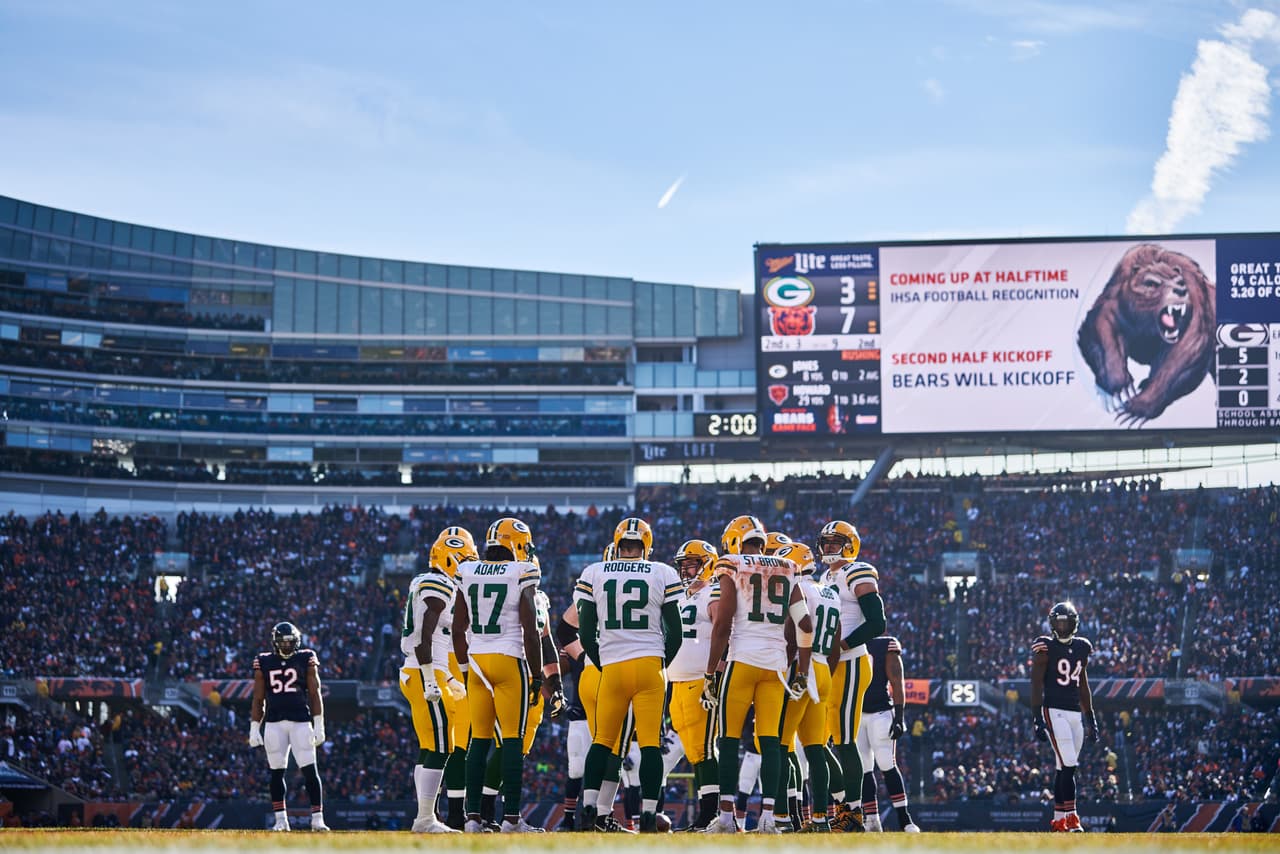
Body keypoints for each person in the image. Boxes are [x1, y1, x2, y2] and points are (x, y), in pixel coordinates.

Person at [703, 515, 814, 834]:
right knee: (770, 741)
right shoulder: (788, 567)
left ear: (736, 540)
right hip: (776, 665)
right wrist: (801, 670)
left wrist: (711, 672)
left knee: (728, 739)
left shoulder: (732, 563)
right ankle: (769, 817)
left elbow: (722, 623)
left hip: (743, 660)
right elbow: (804, 625)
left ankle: (726, 818)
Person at [575, 517, 684, 833]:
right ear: (646, 545)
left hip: (613, 667)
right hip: (649, 665)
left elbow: (584, 632)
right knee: (650, 744)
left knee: (602, 743)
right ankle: (649, 816)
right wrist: (661, 664)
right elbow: (675, 632)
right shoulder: (662, 572)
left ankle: (589, 810)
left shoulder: (595, 571)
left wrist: (603, 661)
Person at [453, 517, 544, 833]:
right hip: (508, 659)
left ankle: (472, 819)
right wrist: (538, 675)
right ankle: (511, 819)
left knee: (477, 741)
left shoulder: (467, 569)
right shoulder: (522, 570)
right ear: (516, 543)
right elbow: (530, 630)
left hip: (477, 661)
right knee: (512, 741)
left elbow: (457, 627)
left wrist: (465, 668)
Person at [398, 530, 474, 833]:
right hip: (425, 671)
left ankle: (425, 816)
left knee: (429, 746)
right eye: (465, 558)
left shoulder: (428, 582)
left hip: (424, 671)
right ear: (450, 556)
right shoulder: (438, 583)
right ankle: (425, 819)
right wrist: (431, 678)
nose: (467, 564)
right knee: (443, 746)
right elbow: (422, 635)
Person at [820, 519, 886, 833]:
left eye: (835, 542)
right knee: (825, 740)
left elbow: (877, 622)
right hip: (830, 664)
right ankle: (841, 807)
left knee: (845, 740)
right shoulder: (824, 576)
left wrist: (842, 645)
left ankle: (854, 814)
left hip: (850, 663)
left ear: (850, 544)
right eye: (826, 542)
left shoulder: (857, 571)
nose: (828, 547)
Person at [773, 541, 841, 832]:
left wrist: (787, 667)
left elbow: (794, 633)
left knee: (778, 745)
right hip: (824, 668)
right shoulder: (831, 593)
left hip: (803, 666)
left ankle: (781, 817)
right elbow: (836, 643)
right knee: (815, 748)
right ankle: (820, 818)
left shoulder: (798, 590)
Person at [249, 621, 329, 832]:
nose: (286, 646)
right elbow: (258, 698)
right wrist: (254, 726)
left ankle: (317, 819)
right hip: (274, 722)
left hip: (301, 721)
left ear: (296, 641)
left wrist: (319, 724)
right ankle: (281, 820)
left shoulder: (305, 657)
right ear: (275, 643)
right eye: (282, 642)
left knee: (310, 770)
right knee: (276, 772)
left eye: (289, 642)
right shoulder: (263, 661)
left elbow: (314, 693)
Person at [666, 538, 721, 830]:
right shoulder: (680, 596)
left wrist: (717, 673)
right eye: (683, 565)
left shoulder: (714, 592)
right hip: (677, 682)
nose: (686, 570)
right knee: (693, 752)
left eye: (691, 564)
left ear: (708, 563)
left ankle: (711, 815)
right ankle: (708, 815)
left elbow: (725, 632)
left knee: (704, 750)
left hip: (701, 679)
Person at [1031, 601, 1096, 833]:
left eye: (1065, 621)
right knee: (1069, 762)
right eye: (1058, 622)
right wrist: (1037, 717)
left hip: (1075, 713)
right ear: (1051, 623)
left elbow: (1083, 684)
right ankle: (1072, 817)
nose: (1062, 626)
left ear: (1074, 623)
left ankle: (1058, 819)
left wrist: (1091, 716)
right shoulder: (1045, 646)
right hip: (1054, 710)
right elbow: (1036, 683)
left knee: (1064, 767)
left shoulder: (1082, 647)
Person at [856, 635, 919, 832]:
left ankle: (904, 818)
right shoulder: (848, 640)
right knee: (864, 768)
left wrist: (899, 717)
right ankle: (872, 819)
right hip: (855, 713)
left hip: (880, 711)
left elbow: (897, 681)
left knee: (886, 763)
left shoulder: (886, 644)